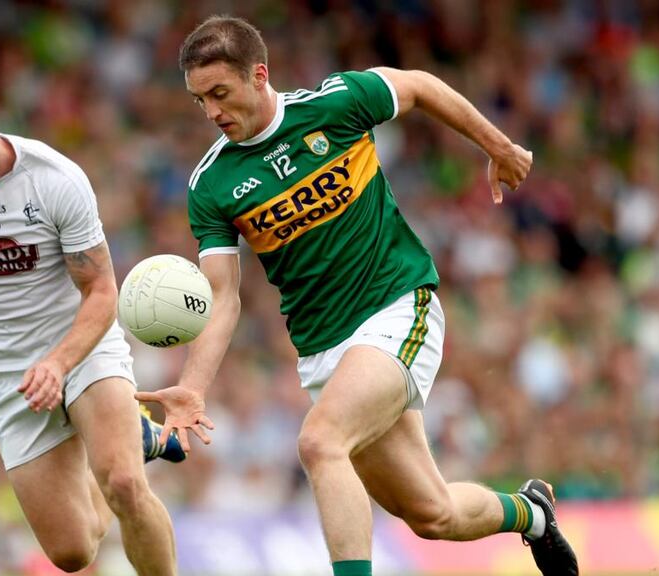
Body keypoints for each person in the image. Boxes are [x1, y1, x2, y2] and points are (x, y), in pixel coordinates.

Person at [136, 15, 579, 576]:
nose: (211, 111)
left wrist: (499, 145)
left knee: (320, 442)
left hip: (396, 306)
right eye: (200, 100)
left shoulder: (336, 104)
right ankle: (532, 513)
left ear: (258, 75)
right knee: (432, 513)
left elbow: (419, 85)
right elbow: (224, 297)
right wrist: (194, 388)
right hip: (324, 350)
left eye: (219, 93)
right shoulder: (212, 184)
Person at [0, 89, 182, 575]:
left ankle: (120, 447)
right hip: (7, 374)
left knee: (125, 485)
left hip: (80, 348)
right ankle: (130, 437)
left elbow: (101, 291)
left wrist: (59, 363)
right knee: (72, 552)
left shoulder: (54, 180)